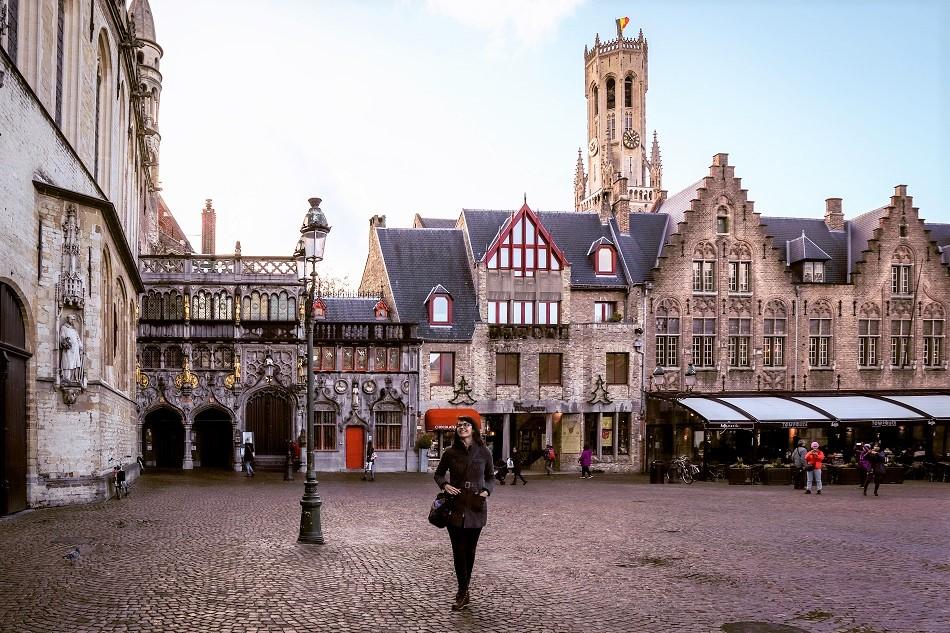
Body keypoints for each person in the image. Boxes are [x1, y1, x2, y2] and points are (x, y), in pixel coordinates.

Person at [434, 416, 494, 612]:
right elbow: (439, 473)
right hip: (456, 506)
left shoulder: (484, 451)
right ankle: (462, 591)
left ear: (473, 429)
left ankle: (464, 589)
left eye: (466, 425)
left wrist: (487, 490)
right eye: (459, 426)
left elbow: (490, 477)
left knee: (470, 552)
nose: (462, 428)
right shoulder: (450, 453)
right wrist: (445, 485)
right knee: (459, 552)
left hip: (476, 505)